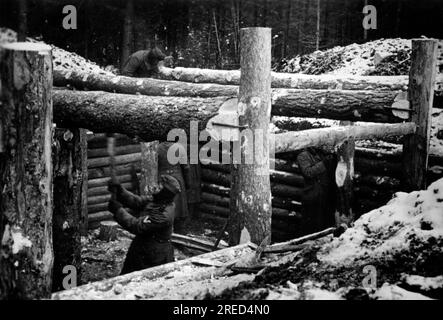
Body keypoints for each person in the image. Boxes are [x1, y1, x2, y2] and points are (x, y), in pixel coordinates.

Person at [107, 174, 181, 274]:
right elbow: (136, 201)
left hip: (154, 254)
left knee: (146, 279)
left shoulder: (164, 214)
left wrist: (118, 211)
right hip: (144, 246)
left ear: (165, 193)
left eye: (159, 187)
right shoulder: (158, 200)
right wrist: (119, 189)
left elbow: (137, 226)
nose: (156, 188)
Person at [296, 147, 335, 234]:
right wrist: (324, 163)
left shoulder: (321, 153)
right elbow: (308, 172)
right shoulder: (303, 155)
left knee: (324, 220)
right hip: (312, 193)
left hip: (325, 192)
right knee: (312, 222)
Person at [157, 142, 189, 233]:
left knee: (163, 207)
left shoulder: (157, 148)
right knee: (179, 209)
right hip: (177, 179)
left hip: (162, 179)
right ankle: (180, 234)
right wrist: (187, 183)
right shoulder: (179, 147)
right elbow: (186, 167)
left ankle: (165, 232)